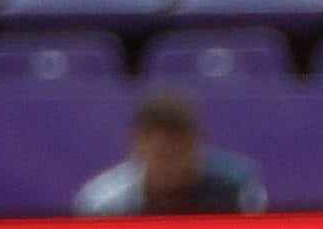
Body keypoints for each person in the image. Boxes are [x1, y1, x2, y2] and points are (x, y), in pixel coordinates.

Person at [73, 92, 265, 217]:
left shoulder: (238, 190)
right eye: (162, 154)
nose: (171, 164)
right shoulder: (104, 204)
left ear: (197, 144)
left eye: (179, 152)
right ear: (139, 145)